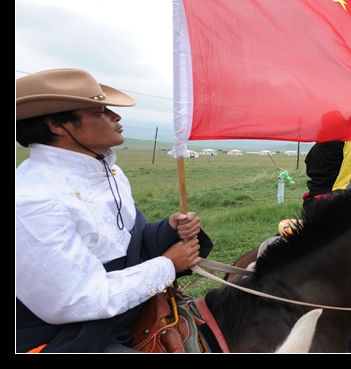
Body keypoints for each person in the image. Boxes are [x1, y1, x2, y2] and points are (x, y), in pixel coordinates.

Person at [16, 69, 212, 352]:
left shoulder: (112, 171)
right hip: (75, 337)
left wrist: (169, 228)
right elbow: (75, 299)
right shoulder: (31, 200)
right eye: (100, 110)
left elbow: (124, 243)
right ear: (57, 125)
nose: (116, 117)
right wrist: (167, 266)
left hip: (128, 312)